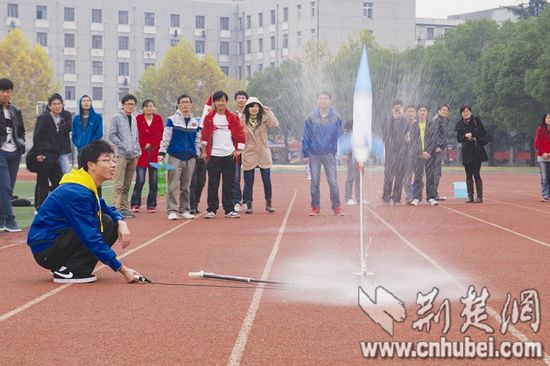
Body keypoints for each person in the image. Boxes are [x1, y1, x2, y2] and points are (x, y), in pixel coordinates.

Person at [27, 140, 144, 283]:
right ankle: (71, 270)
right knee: (103, 224)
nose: (113, 164)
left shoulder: (85, 184)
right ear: (91, 165)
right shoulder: (77, 193)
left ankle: (72, 267)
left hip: (55, 243)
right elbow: (90, 237)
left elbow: (106, 208)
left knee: (109, 221)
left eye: (114, 160)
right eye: (107, 160)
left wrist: (121, 221)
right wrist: (122, 269)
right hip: (47, 249)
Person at [201, 90, 246, 219]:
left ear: (226, 102)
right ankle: (211, 209)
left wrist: (239, 150)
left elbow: (240, 134)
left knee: (229, 184)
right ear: (214, 102)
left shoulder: (233, 117)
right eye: (218, 100)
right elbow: (204, 135)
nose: (221, 103)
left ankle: (229, 209)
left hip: (229, 155)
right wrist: (204, 151)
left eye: (223, 100)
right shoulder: (209, 117)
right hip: (214, 155)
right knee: (213, 184)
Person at [158, 95, 201, 220]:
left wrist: (196, 153)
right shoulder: (172, 120)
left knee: (186, 186)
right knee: (172, 185)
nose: (185, 105)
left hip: (190, 157)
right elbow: (166, 137)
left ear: (191, 104)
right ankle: (172, 210)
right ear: (178, 105)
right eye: (182, 102)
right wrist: (161, 153)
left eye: (187, 102)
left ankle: (184, 210)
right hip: (174, 157)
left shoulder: (195, 122)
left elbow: (198, 139)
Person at [302, 91, 345, 216]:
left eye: (326, 98)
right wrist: (305, 153)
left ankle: (336, 207)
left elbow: (339, 136)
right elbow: (306, 136)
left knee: (333, 182)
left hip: (329, 154)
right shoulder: (310, 117)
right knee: (315, 182)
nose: (323, 101)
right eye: (320, 98)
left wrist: (338, 151)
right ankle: (315, 207)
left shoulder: (336, 118)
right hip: (314, 154)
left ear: (330, 100)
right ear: (317, 101)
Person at [241, 97, 279, 214]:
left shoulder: (264, 119)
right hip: (249, 152)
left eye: (257, 106)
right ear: (247, 108)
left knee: (266, 180)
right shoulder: (241, 120)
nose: (254, 109)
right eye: (251, 106)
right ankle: (249, 205)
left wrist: (268, 112)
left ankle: (269, 204)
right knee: (248, 181)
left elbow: (275, 124)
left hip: (263, 152)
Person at [108, 94, 141, 218]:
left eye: (133, 104)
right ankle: (115, 209)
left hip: (133, 155)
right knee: (118, 183)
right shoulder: (116, 117)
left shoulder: (134, 118)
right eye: (128, 104)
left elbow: (136, 136)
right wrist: (122, 145)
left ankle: (123, 208)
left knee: (127, 184)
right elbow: (112, 135)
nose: (131, 106)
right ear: (123, 105)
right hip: (121, 155)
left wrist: (138, 150)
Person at [0, 78, 25, 232]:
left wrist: (21, 144)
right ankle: (10, 220)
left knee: (8, 188)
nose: (5, 94)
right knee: (5, 187)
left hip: (14, 153)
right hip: (1, 152)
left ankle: (2, 220)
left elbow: (21, 130)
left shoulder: (16, 110)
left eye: (8, 91)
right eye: (2, 91)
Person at [33, 94, 66, 210]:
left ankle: (56, 207)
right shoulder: (44, 118)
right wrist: (39, 153)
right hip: (44, 155)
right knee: (43, 184)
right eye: (54, 104)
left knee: (59, 182)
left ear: (62, 105)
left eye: (59, 104)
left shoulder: (62, 120)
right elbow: (37, 136)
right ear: (49, 106)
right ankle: (40, 208)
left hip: (54, 156)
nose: (57, 106)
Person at [130, 99, 164, 213]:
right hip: (141, 153)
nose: (149, 108)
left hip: (154, 153)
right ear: (143, 108)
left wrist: (152, 144)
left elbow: (160, 134)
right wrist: (144, 144)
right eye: (146, 106)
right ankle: (135, 203)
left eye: (151, 106)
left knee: (154, 181)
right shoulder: (138, 119)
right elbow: (135, 134)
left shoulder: (158, 119)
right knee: (140, 180)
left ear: (154, 108)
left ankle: (152, 205)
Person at [455, 104, 488, 203]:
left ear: (471, 112)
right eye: (463, 111)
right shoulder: (459, 124)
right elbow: (458, 139)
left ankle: (479, 196)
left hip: (477, 150)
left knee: (476, 173)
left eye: (467, 111)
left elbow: (483, 132)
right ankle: (470, 196)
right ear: (461, 113)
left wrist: (473, 135)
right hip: (466, 152)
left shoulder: (476, 121)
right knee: (468, 175)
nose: (466, 113)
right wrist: (465, 136)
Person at [72, 95, 104, 195]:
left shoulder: (97, 117)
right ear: (80, 103)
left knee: (96, 176)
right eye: (84, 101)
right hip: (81, 152)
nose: (86, 103)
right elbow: (74, 135)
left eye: (88, 101)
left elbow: (99, 134)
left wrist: (90, 146)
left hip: (93, 152)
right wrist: (78, 144)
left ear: (91, 103)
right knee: (83, 177)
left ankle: (98, 201)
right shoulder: (76, 119)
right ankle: (84, 199)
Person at [410, 105, 440, 206]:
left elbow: (433, 139)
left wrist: (428, 152)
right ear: (418, 113)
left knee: (430, 177)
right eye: (421, 110)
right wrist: (420, 152)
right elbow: (413, 141)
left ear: (427, 112)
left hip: (429, 155)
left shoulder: (431, 125)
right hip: (418, 156)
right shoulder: (414, 126)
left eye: (424, 110)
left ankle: (431, 197)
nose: (422, 112)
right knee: (418, 177)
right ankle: (416, 198)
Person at [382, 100, 407, 205]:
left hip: (401, 153)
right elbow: (385, 133)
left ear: (402, 109)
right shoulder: (387, 120)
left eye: (399, 108)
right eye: (395, 108)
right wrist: (393, 119)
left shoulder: (405, 121)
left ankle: (397, 198)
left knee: (399, 177)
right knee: (388, 176)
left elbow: (407, 135)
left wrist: (401, 119)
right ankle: (386, 198)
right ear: (391, 109)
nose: (397, 110)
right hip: (390, 153)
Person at [233, 90, 249, 212]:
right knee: (236, 177)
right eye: (239, 98)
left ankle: (247, 201)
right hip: (235, 150)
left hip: (249, 150)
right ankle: (237, 201)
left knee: (248, 177)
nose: (241, 100)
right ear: (235, 100)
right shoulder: (231, 115)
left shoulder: (252, 114)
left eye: (243, 98)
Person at [431, 104, 450, 201]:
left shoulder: (440, 121)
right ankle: (433, 194)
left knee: (436, 172)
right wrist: (437, 146)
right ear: (438, 111)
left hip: (439, 149)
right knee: (436, 172)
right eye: (443, 110)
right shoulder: (437, 120)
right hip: (436, 150)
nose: (445, 112)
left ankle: (434, 193)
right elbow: (434, 134)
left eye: (447, 110)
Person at [343, 120, 362, 205]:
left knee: (359, 177)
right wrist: (346, 153)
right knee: (350, 177)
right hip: (351, 156)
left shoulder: (360, 127)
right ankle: (348, 198)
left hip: (359, 155)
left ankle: (359, 198)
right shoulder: (349, 126)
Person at [402, 105, 419, 204]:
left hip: (417, 154)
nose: (411, 113)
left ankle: (417, 196)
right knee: (407, 177)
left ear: (415, 113)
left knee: (418, 177)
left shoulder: (419, 124)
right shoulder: (403, 124)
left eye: (412, 111)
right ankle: (409, 196)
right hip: (406, 154)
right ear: (405, 113)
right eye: (409, 111)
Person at [534, 112, 550, 202]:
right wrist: (543, 153)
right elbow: (537, 143)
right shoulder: (540, 130)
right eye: (548, 118)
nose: (549, 120)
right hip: (542, 156)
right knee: (544, 177)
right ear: (544, 119)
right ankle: (545, 195)